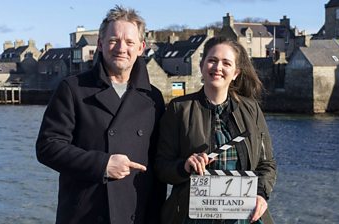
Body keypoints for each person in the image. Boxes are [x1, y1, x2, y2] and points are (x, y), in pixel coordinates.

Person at [36, 5, 166, 224]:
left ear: (142, 47)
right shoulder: (73, 88)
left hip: (135, 212)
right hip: (84, 213)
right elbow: (48, 146)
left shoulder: (154, 98)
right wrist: (102, 165)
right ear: (100, 44)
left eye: (130, 42)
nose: (121, 48)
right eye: (114, 40)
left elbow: (158, 164)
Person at [155, 36, 277, 224]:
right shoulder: (179, 108)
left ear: (235, 72)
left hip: (244, 216)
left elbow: (266, 163)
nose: (218, 67)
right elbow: (161, 166)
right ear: (202, 65)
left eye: (226, 63)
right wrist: (184, 166)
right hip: (192, 217)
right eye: (212, 60)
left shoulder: (251, 109)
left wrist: (261, 193)